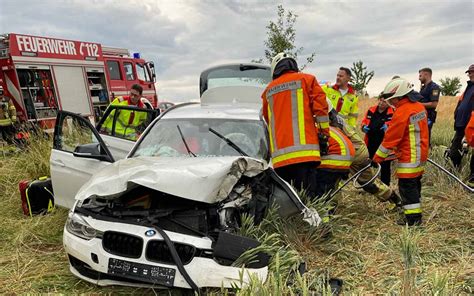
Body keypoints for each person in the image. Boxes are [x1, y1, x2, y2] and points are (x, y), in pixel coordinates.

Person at [262, 52, 329, 197]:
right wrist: (324, 135)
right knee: (307, 199)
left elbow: (267, 121)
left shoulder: (268, 91)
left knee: (289, 200)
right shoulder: (308, 80)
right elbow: (321, 110)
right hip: (306, 154)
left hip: (280, 159)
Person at [373, 77, 429, 226]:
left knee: (406, 186)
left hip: (409, 155)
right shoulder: (419, 107)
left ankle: (413, 220)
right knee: (415, 184)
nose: (391, 103)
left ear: (401, 95)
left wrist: (377, 157)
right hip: (420, 153)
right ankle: (415, 212)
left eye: (392, 100)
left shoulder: (403, 111)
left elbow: (392, 137)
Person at [328, 99, 401, 208]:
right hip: (356, 150)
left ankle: (329, 209)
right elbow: (364, 122)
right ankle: (393, 197)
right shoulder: (334, 118)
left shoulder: (327, 121)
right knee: (368, 183)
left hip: (353, 152)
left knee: (329, 181)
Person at [361, 95, 394, 185]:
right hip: (370, 141)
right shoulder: (371, 110)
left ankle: (385, 186)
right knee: (367, 165)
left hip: (383, 143)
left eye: (384, 101)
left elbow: (396, 127)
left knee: (385, 165)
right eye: (380, 100)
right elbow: (364, 121)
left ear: (389, 103)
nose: (381, 103)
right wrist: (363, 127)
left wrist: (388, 127)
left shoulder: (393, 112)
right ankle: (367, 185)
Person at [448, 64, 474, 178]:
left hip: (471, 125)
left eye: (472, 72)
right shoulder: (468, 87)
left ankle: (471, 177)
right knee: (454, 152)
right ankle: (454, 175)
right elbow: (461, 104)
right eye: (469, 72)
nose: (470, 74)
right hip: (461, 125)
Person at [418, 67, 441, 142]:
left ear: (426, 74)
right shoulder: (423, 87)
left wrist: (418, 105)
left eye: (420, 76)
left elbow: (434, 104)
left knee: (425, 139)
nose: (419, 78)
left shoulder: (434, 87)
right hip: (420, 116)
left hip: (428, 117)